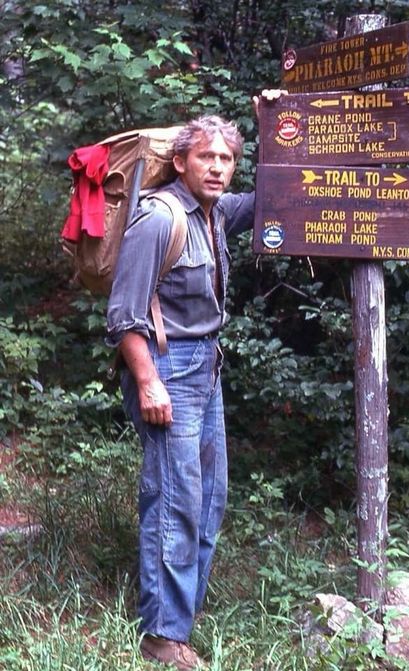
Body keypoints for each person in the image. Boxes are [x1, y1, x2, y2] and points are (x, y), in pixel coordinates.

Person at [106, 114, 255, 670]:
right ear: (180, 162)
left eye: (227, 159)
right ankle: (162, 634)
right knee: (175, 499)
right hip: (168, 368)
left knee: (209, 496)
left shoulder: (217, 213)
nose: (218, 168)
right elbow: (122, 316)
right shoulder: (159, 218)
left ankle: (181, 612)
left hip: (207, 366)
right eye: (206, 158)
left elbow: (277, 198)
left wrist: (286, 119)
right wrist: (149, 383)